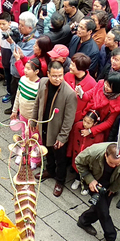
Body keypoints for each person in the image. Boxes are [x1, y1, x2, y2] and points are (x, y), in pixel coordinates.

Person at [75, 142, 120, 241]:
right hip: (95, 182)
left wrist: (114, 188)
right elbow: (78, 162)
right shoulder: (92, 153)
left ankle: (83, 220)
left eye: (117, 164)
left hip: (110, 185)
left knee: (99, 209)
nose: (114, 166)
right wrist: (90, 180)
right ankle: (110, 236)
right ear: (105, 155)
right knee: (104, 211)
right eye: (111, 163)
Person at [33, 61, 77, 197]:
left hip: (57, 131)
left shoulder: (69, 93)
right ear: (48, 74)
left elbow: (69, 119)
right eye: (54, 76)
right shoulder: (42, 83)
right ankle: (49, 170)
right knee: (47, 151)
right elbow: (38, 101)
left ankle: (60, 181)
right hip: (43, 125)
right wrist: (34, 119)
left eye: (60, 75)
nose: (58, 79)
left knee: (60, 158)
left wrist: (62, 137)